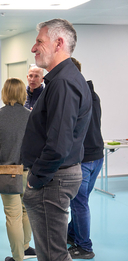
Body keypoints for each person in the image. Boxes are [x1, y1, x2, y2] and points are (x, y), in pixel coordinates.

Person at [21, 19, 92, 261]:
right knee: (53, 253)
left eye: (39, 41)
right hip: (56, 177)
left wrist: (36, 178)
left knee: (53, 255)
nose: (34, 48)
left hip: (52, 179)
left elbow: (59, 143)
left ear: (59, 43)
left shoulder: (62, 83)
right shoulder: (64, 79)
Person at [0, 78, 36, 261]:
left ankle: (18, 257)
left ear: (4, 93)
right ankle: (26, 246)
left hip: (5, 171)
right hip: (29, 171)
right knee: (26, 210)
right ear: (23, 93)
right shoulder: (32, 115)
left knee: (12, 214)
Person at [67, 57, 104, 259]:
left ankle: (85, 247)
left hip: (84, 159)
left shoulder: (75, 95)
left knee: (79, 203)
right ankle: (73, 234)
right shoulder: (92, 93)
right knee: (80, 201)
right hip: (97, 156)